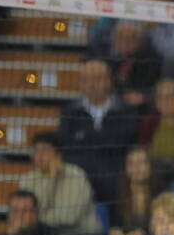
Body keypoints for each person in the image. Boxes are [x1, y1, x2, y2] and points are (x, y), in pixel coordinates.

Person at [57, 59, 139, 209]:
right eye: (86, 79)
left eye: (97, 78)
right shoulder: (70, 112)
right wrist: (104, 138)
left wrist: (86, 138)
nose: (91, 84)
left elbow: (123, 144)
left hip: (115, 179)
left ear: (108, 81)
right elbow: (66, 147)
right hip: (79, 180)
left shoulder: (126, 111)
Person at [18, 133, 101, 235]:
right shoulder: (28, 180)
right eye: (36, 151)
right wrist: (51, 181)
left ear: (58, 155)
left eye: (45, 151)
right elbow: (25, 215)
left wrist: (37, 220)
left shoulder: (76, 176)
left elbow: (70, 218)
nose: (39, 156)